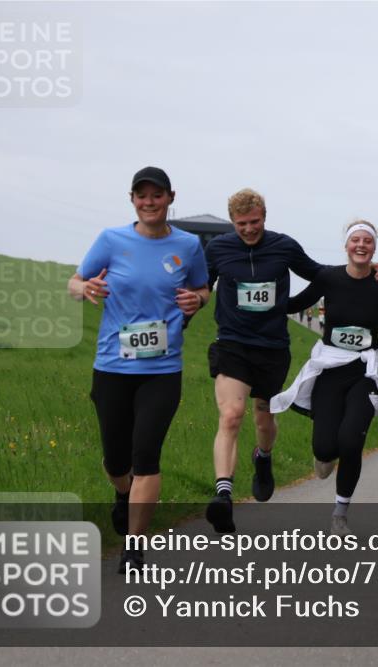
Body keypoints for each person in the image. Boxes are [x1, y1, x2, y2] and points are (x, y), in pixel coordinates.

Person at [68, 166, 209, 572]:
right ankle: (121, 492)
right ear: (132, 199)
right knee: (117, 460)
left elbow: (202, 289)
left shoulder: (188, 245)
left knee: (146, 454)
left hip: (163, 370)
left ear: (170, 197)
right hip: (113, 366)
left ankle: (134, 548)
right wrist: (86, 288)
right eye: (141, 196)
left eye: (157, 195)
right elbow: (74, 282)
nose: (149, 202)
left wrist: (197, 301)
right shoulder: (111, 240)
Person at [271, 221, 378, 535]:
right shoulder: (328, 278)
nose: (361, 246)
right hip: (330, 370)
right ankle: (323, 456)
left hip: (364, 372)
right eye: (355, 240)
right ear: (346, 245)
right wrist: (261, 299)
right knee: (324, 448)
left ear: (374, 248)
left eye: (367, 241)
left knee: (350, 441)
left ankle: (340, 513)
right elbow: (295, 304)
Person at [202, 188, 325, 533]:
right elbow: (201, 287)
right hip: (232, 344)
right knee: (231, 415)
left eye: (254, 222)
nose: (249, 229)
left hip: (272, 347)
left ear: (264, 217)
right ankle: (223, 495)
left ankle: (264, 457)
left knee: (263, 417)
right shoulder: (219, 249)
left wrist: (290, 305)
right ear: (232, 222)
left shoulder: (283, 246)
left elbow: (320, 276)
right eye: (242, 223)